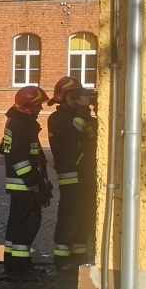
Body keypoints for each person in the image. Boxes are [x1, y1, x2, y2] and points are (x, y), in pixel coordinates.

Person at [47, 77, 97, 272]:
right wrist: (83, 109)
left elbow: (94, 135)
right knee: (69, 217)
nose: (77, 100)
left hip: (86, 176)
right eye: (74, 96)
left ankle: (79, 258)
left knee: (85, 218)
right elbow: (74, 131)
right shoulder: (57, 119)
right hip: (70, 175)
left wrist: (97, 108)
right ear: (63, 97)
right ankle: (62, 261)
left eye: (79, 95)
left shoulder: (82, 116)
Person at [0, 85, 50, 276]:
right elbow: (19, 158)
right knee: (27, 225)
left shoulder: (15, 122)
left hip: (18, 184)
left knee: (16, 225)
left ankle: (13, 264)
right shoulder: (22, 125)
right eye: (38, 105)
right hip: (24, 185)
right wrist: (32, 182)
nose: (41, 109)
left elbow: (7, 150)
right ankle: (20, 268)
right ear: (29, 106)